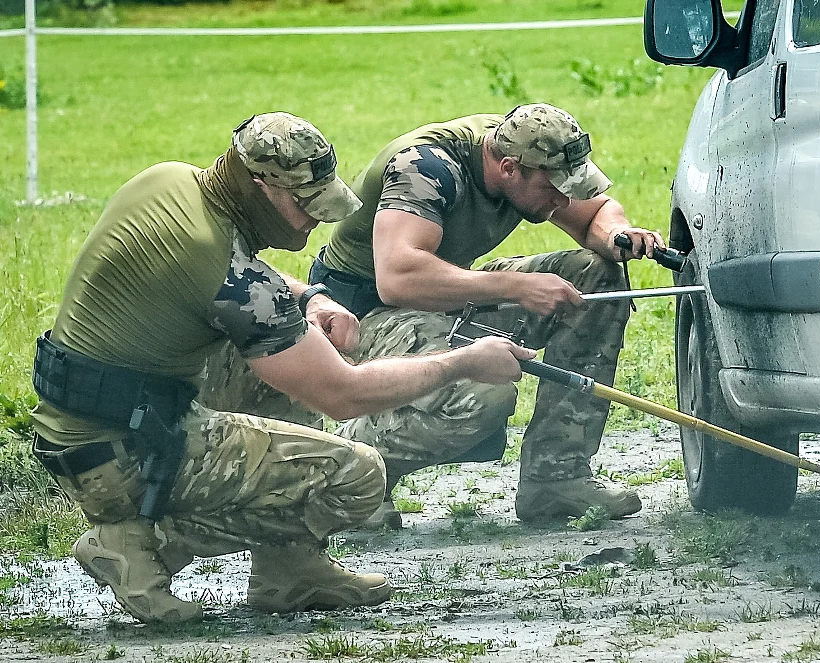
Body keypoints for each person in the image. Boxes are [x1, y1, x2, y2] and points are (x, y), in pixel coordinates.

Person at [28, 112, 533, 625]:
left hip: (97, 424)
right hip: (123, 457)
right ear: (258, 186)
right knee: (356, 475)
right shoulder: (233, 280)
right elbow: (343, 394)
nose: (317, 219)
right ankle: (139, 543)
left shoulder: (171, 181)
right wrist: (463, 362)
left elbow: (232, 271)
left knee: (295, 348)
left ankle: (289, 569)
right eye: (305, 204)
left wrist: (308, 297)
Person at [309, 103, 666, 524]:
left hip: (448, 297)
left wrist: (616, 235)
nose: (563, 199)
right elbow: (398, 278)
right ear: (510, 169)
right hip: (363, 313)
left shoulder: (532, 152)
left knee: (593, 274)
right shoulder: (425, 167)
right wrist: (516, 287)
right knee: (484, 394)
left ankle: (555, 478)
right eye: (555, 188)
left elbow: (595, 213)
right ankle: (350, 471)